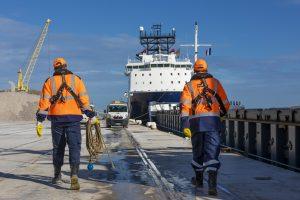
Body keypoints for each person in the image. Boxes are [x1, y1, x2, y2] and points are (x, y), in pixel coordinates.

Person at [35, 57, 98, 190]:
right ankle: (74, 175)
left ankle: (57, 175)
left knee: (58, 148)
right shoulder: (77, 79)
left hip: (57, 120)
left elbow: (44, 103)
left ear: (55, 68)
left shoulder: (49, 81)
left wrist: (40, 120)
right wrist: (90, 114)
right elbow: (84, 100)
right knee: (74, 147)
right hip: (73, 119)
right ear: (66, 66)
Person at [180, 58, 230, 195]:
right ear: (206, 69)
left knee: (198, 152)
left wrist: (185, 125)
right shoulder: (215, 83)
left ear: (194, 70)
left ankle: (198, 180)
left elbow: (185, 107)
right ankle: (212, 186)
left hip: (196, 124)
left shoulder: (189, 86)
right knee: (212, 153)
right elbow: (225, 103)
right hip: (213, 123)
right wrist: (218, 115)